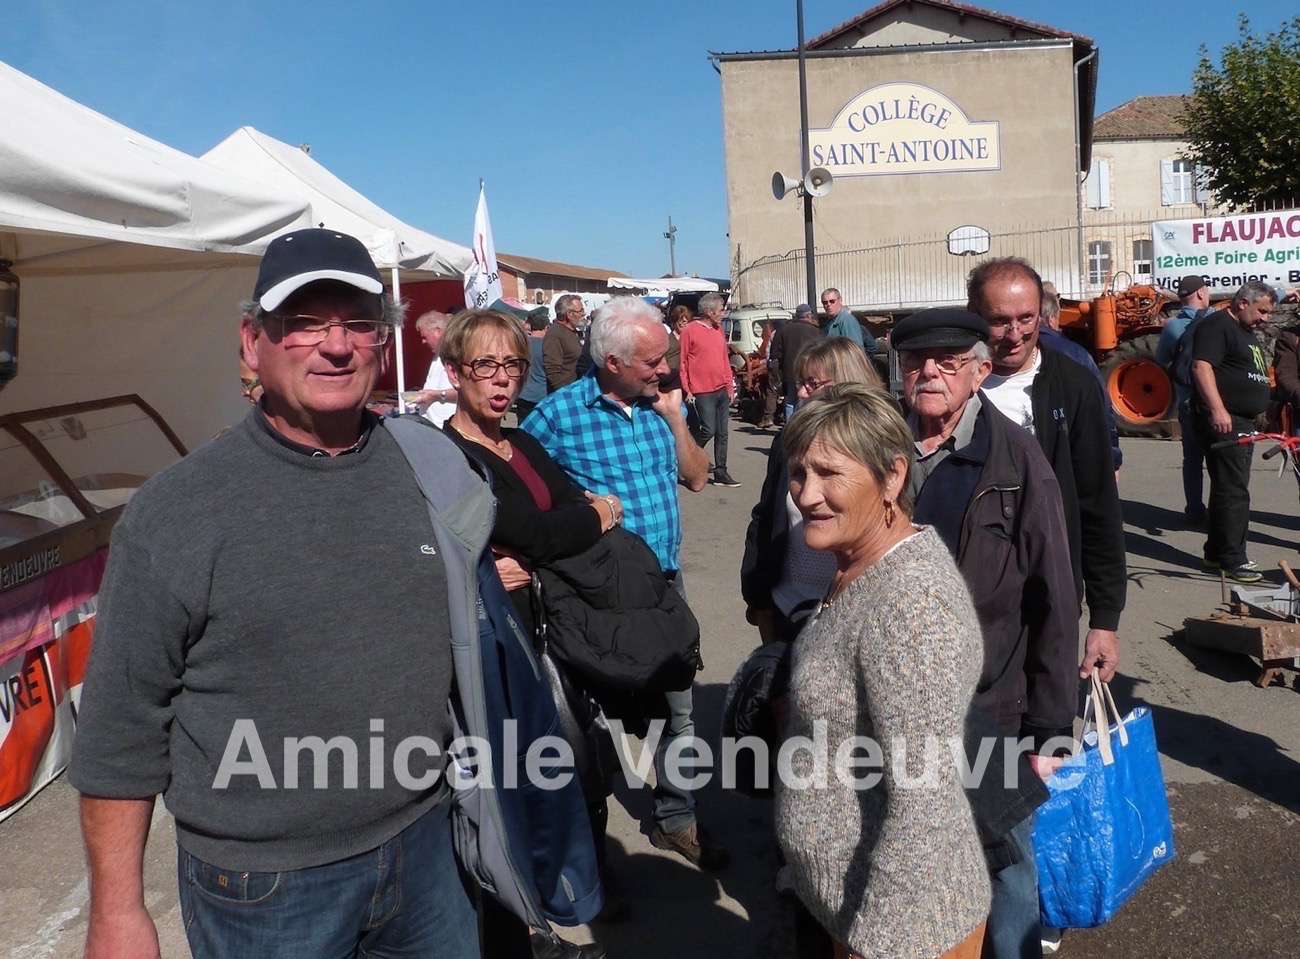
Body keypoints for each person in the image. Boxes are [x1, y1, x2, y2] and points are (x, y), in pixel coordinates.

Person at [67, 228, 597, 959]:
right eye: (304, 322)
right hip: (265, 886)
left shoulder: (429, 467)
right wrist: (117, 912)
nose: (336, 344)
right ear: (252, 343)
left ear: (383, 342)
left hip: (429, 848)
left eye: (355, 322)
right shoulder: (178, 509)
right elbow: (120, 727)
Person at [775, 382, 990, 959]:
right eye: (798, 474)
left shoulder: (910, 606)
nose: (807, 495)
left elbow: (927, 799)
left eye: (829, 473)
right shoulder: (856, 567)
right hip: (846, 904)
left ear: (892, 477)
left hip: (902, 930)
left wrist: (879, 944)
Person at [894, 308, 1081, 959]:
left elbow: (1054, 596)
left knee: (1005, 866)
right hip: (892, 708)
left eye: (948, 362)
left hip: (992, 706)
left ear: (979, 371)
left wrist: (1052, 728)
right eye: (918, 361)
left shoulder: (1014, 456)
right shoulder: (876, 448)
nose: (930, 374)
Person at [523, 298, 729, 871]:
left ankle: (676, 818)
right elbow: (521, 493)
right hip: (599, 599)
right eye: (651, 360)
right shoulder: (559, 416)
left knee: (677, 710)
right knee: (595, 718)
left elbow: (696, 479)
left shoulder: (662, 406)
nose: (664, 369)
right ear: (611, 362)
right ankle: (591, 849)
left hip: (665, 586)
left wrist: (674, 416)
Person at [440, 308, 616, 959]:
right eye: (486, 365)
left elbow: (558, 515)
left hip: (551, 635)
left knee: (570, 770)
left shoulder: (524, 443)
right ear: (456, 372)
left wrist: (559, 533)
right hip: (496, 648)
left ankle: (562, 899)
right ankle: (520, 928)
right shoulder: (451, 456)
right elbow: (550, 528)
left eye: (513, 364)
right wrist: (589, 520)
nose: (503, 379)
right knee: (509, 791)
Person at [968, 258, 1124, 681]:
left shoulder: (1072, 384)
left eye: (1026, 318)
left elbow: (1098, 504)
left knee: (1043, 730)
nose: (1015, 334)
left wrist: (1105, 620)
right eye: (999, 321)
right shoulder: (954, 384)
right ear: (974, 315)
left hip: (1050, 592)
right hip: (966, 598)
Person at [742, 337, 883, 645]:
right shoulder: (788, 441)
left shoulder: (880, 446)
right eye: (800, 383)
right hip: (787, 610)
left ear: (848, 382)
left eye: (812, 383)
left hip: (853, 616)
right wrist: (758, 595)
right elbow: (766, 516)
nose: (801, 393)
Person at [1191, 280, 1276, 583]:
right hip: (1228, 420)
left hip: (1243, 419)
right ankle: (1233, 559)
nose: (1265, 318)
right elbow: (1202, 367)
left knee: (1227, 486)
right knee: (1234, 490)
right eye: (1262, 310)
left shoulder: (1244, 331)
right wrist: (1218, 409)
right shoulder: (1217, 326)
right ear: (1243, 303)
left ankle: (1215, 552)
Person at [1036, 287, 1122, 470]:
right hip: (1070, 449)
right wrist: (1112, 457)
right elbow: (1101, 405)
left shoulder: (1007, 353)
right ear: (1052, 318)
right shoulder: (1076, 354)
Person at [1156, 274, 1213, 526]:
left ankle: (1194, 510)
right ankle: (1222, 511)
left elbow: (1161, 358)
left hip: (1188, 402)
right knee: (1219, 461)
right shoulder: (1217, 321)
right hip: (1216, 403)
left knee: (1192, 460)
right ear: (1201, 293)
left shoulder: (1172, 327)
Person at [680, 291, 740, 487]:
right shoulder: (690, 330)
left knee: (723, 433)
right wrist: (687, 388)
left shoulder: (718, 329)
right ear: (709, 312)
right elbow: (683, 362)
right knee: (708, 429)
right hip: (701, 390)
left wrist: (730, 386)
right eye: (721, 310)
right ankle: (687, 459)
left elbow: (724, 359)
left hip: (721, 389)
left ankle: (721, 472)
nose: (723, 313)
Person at [769, 303, 824, 421]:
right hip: (809, 373)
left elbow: (774, 353)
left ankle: (790, 428)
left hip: (789, 373)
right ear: (809, 315)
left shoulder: (783, 330)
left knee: (790, 401)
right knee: (807, 401)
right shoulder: (816, 331)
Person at [411, 309, 458, 427]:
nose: (423, 341)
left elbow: (466, 392)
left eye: (425, 337)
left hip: (448, 427)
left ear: (438, 331)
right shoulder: (438, 355)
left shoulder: (457, 353)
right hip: (433, 426)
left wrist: (435, 395)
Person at [544, 294, 586, 392]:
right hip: (565, 395)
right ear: (570, 314)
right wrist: (565, 394)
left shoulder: (572, 332)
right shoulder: (554, 334)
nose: (584, 314)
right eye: (580, 311)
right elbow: (552, 371)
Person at [516, 309, 550, 421]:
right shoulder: (548, 347)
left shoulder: (522, 344)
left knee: (521, 429)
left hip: (523, 394)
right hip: (541, 395)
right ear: (546, 328)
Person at [820, 287, 877, 354]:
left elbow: (855, 350)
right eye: (825, 302)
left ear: (840, 300)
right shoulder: (829, 323)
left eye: (832, 301)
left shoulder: (846, 320)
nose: (828, 305)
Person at [665, 303, 692, 374]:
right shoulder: (667, 340)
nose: (681, 324)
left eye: (684, 321)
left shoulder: (691, 339)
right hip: (671, 376)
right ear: (674, 322)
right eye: (678, 321)